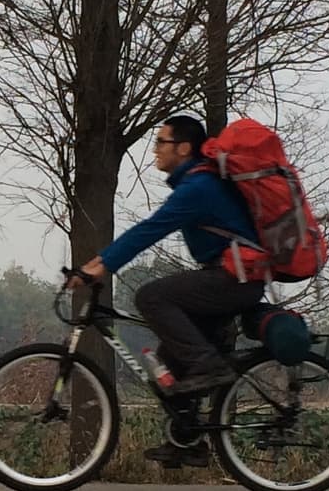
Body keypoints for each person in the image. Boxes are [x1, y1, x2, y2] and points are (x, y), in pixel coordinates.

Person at [79, 115, 262, 462]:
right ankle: (189, 441)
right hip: (232, 278)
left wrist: (102, 265)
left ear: (183, 147)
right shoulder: (195, 184)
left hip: (236, 279)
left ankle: (209, 366)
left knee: (151, 295)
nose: (154, 151)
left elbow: (150, 230)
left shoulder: (198, 187)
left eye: (160, 142)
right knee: (169, 360)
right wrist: (99, 262)